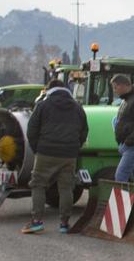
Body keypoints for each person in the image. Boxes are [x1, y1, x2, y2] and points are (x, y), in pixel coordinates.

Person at [21, 80, 88, 234]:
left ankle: (36, 221)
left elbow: (32, 130)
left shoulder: (43, 105)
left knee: (38, 185)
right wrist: (75, 147)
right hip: (69, 154)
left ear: (50, 90)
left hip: (46, 151)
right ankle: (64, 224)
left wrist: (37, 148)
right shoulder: (77, 107)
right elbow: (84, 130)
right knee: (66, 187)